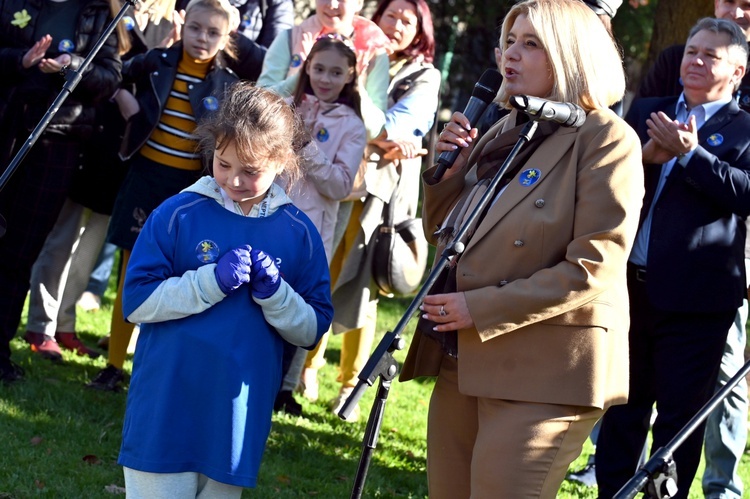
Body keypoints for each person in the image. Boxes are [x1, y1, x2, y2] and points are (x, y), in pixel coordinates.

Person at [398, 0, 644, 496]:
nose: (511, 54)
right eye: (510, 40)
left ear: (571, 54)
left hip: (545, 373)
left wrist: (480, 308)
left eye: (532, 43)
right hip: (465, 360)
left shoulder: (608, 139)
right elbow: (446, 236)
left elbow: (594, 266)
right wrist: (447, 177)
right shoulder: (507, 128)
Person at [118, 82, 333, 496]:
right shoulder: (178, 213)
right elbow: (137, 302)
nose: (233, 179)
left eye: (251, 171)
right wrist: (208, 281)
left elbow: (311, 330)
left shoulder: (299, 233)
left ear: (281, 162)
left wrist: (277, 295)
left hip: (236, 416)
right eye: (222, 163)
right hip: (165, 406)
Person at [595, 18, 750, 499]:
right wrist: (644, 156)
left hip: (698, 303)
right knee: (622, 408)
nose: (696, 61)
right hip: (629, 290)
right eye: (691, 51)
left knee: (679, 424)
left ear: (738, 73)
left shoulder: (745, 128)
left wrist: (692, 155)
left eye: (711, 55)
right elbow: (603, 185)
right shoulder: (647, 110)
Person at [86, 0, 239, 392]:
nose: (202, 38)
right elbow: (114, 73)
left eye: (213, 32)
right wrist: (122, 96)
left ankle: (156, 369)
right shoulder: (154, 61)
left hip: (188, 191)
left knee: (178, 278)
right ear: (183, 25)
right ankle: (114, 365)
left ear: (225, 39)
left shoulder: (227, 85)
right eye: (196, 28)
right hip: (144, 178)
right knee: (131, 272)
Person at [299, 0, 440, 422]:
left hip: (378, 189)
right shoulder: (352, 53)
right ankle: (305, 366)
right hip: (328, 181)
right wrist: (377, 136)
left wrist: (369, 133)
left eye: (407, 20)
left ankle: (350, 383)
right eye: (391, 15)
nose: (396, 25)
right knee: (319, 273)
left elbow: (400, 127)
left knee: (361, 285)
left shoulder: (423, 74)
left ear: (420, 31)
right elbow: (379, 131)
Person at [21, 0, 179, 362]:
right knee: (63, 238)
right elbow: (99, 66)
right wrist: (116, 92)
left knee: (91, 246)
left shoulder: (173, 22)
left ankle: (65, 323)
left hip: (129, 150)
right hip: (90, 135)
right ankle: (41, 324)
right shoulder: (105, 10)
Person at [0, 0, 122, 381]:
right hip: (6, 126)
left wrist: (73, 67)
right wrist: (21, 60)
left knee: (20, 252)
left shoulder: (100, 11)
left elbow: (110, 77)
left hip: (59, 143)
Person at [270, 35, 367, 415]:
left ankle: (284, 387)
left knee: (294, 308)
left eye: (336, 72)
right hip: (268, 218)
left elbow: (341, 185)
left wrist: (306, 147)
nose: (325, 78)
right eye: (319, 69)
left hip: (310, 230)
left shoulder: (352, 125)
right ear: (306, 67)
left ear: (350, 75)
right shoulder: (284, 108)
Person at [256, 0, 391, 141]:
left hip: (342, 150)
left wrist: (354, 85)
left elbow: (375, 129)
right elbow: (259, 103)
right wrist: (301, 78)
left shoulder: (374, 52)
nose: (332, 4)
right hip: (285, 143)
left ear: (358, 3)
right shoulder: (291, 39)